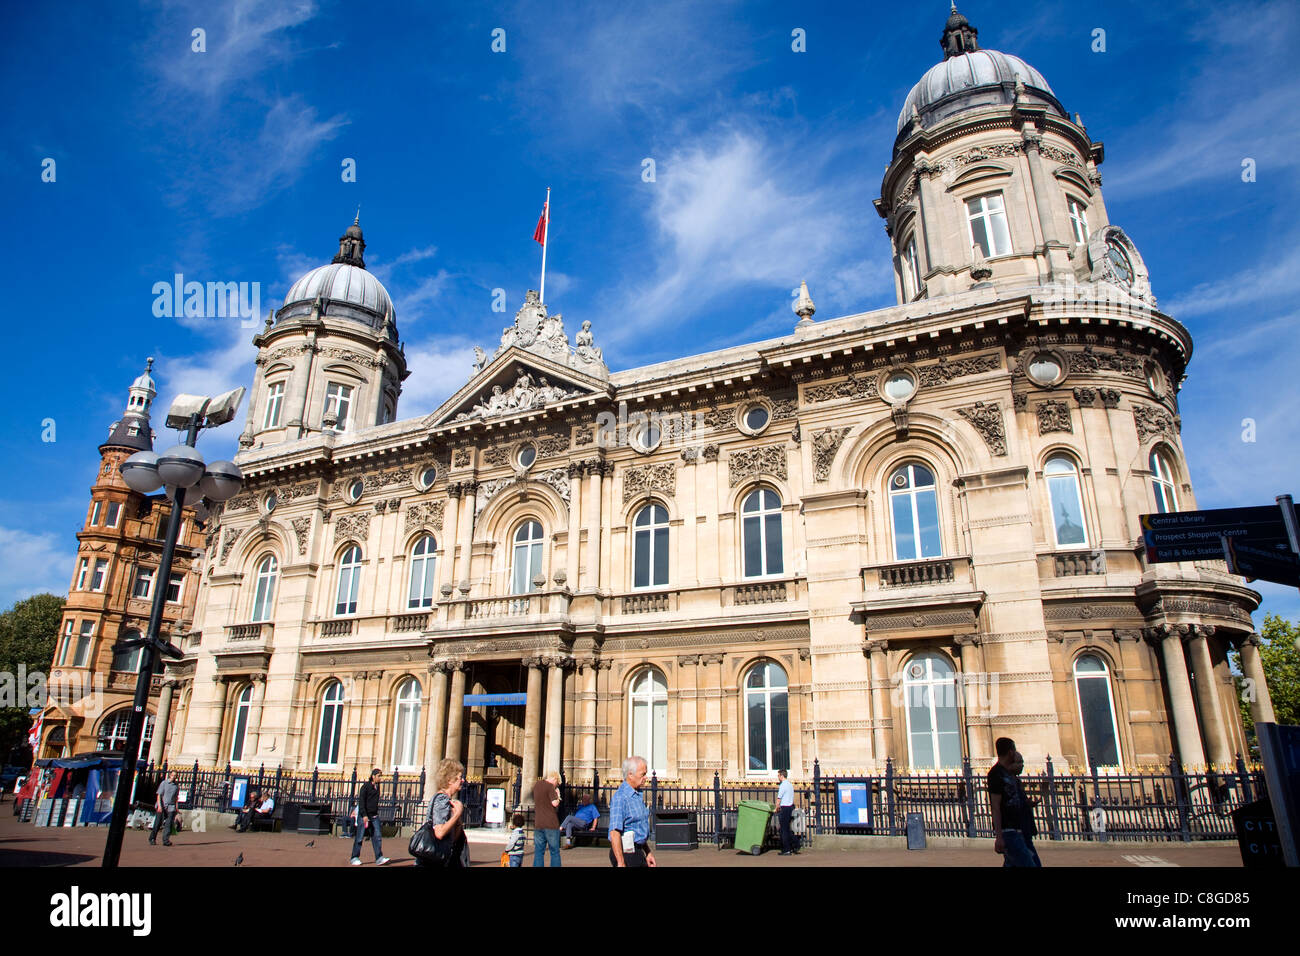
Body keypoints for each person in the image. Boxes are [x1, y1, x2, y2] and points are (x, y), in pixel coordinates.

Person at [987, 738, 1042, 867]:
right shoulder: (995, 774)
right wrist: (999, 836)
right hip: (1009, 831)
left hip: (1021, 829)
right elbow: (995, 807)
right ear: (1010, 752)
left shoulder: (1010, 774)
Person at [608, 756, 655, 868]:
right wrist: (621, 862)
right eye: (642, 774)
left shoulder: (637, 795)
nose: (645, 778)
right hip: (625, 853)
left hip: (637, 851)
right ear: (630, 774)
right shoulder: (621, 798)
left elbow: (637, 829)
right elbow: (614, 832)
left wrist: (647, 852)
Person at [422, 758, 470, 868]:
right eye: (459, 778)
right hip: (438, 858)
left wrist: (458, 820)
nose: (462, 780)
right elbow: (439, 832)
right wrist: (457, 814)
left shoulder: (447, 800)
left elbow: (454, 838)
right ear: (449, 780)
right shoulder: (441, 800)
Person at [350, 768, 390, 866]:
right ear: (373, 776)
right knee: (359, 837)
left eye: (381, 776)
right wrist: (364, 815)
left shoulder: (377, 787)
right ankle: (354, 857)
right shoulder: (365, 787)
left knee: (377, 837)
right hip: (364, 816)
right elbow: (362, 802)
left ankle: (379, 857)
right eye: (378, 776)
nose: (380, 778)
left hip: (374, 816)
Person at [532, 770, 562, 867]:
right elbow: (554, 803)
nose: (556, 786)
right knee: (554, 852)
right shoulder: (550, 787)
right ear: (555, 779)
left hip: (538, 823)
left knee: (539, 852)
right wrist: (558, 796)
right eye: (557, 783)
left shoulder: (537, 785)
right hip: (550, 824)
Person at [150, 771, 179, 847]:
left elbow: (176, 798)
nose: (174, 777)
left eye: (175, 775)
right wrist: (159, 806)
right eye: (172, 775)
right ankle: (152, 838)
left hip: (171, 807)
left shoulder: (176, 786)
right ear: (170, 775)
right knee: (158, 823)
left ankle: (166, 840)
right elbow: (159, 795)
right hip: (162, 806)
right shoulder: (164, 783)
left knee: (168, 824)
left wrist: (176, 807)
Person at [775, 769, 797, 856]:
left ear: (781, 776)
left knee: (783, 830)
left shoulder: (783, 785)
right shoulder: (790, 785)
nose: (778, 777)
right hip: (790, 807)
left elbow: (779, 798)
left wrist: (776, 807)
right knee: (787, 829)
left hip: (784, 808)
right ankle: (794, 845)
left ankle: (786, 849)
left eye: (778, 775)